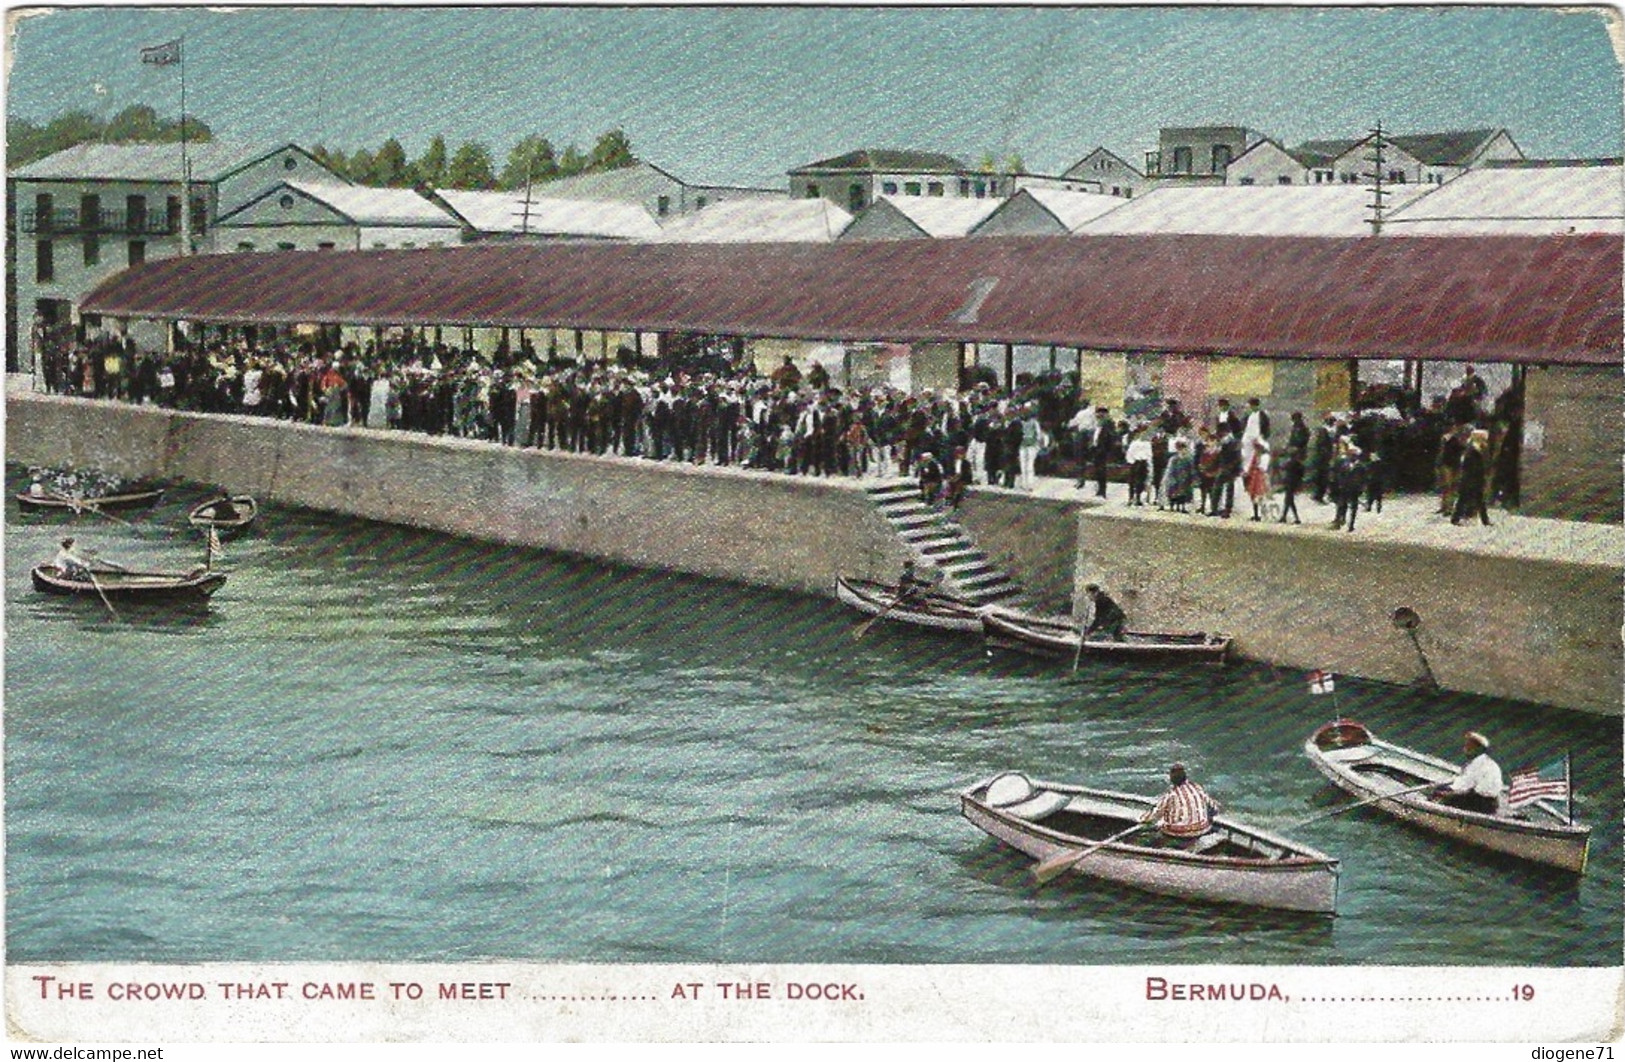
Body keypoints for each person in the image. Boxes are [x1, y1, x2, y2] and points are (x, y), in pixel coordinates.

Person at [1141, 762, 1222, 845]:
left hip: (1179, 834)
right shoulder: (1197, 788)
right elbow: (1214, 808)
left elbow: (1155, 814)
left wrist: (1143, 818)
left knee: (1150, 838)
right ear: (1185, 777)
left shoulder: (1171, 794)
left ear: (1171, 780)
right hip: (1202, 830)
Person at [1432, 732, 1503, 815]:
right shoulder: (1477, 762)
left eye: (1469, 746)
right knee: (1442, 789)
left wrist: (1449, 792)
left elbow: (1468, 787)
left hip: (1483, 802)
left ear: (1478, 749)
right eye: (1466, 745)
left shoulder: (1482, 765)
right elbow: (1463, 780)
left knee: (1446, 796)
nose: (1465, 748)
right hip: (1478, 797)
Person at [1452, 428, 1493, 527]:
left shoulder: (1478, 449)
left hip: (1475, 479)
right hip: (1470, 479)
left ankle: (1485, 520)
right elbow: (1471, 465)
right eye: (1484, 438)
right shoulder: (1472, 450)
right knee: (1464, 499)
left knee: (1478, 500)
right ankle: (1455, 518)